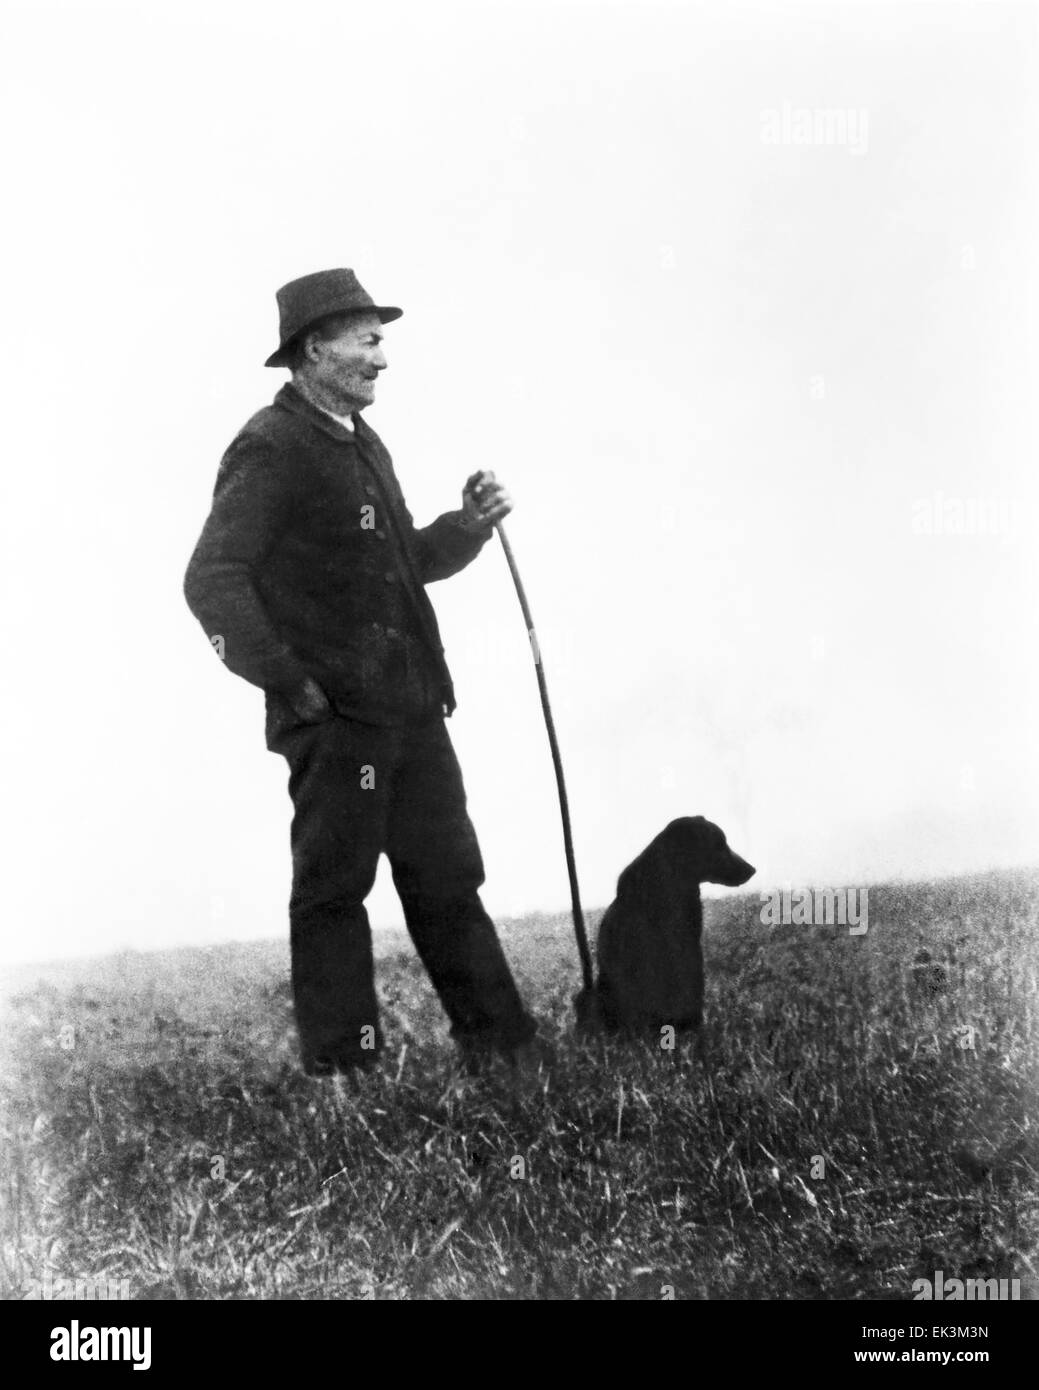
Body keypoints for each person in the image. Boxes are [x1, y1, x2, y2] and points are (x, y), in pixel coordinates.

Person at [184, 268, 540, 1077]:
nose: (383, 360)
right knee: (334, 894)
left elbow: (399, 562)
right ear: (316, 347)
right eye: (369, 340)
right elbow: (212, 577)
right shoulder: (270, 444)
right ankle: (345, 1075)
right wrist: (292, 683)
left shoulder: (360, 439)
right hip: (338, 720)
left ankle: (504, 1052)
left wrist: (467, 527)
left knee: (448, 878)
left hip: (412, 709)